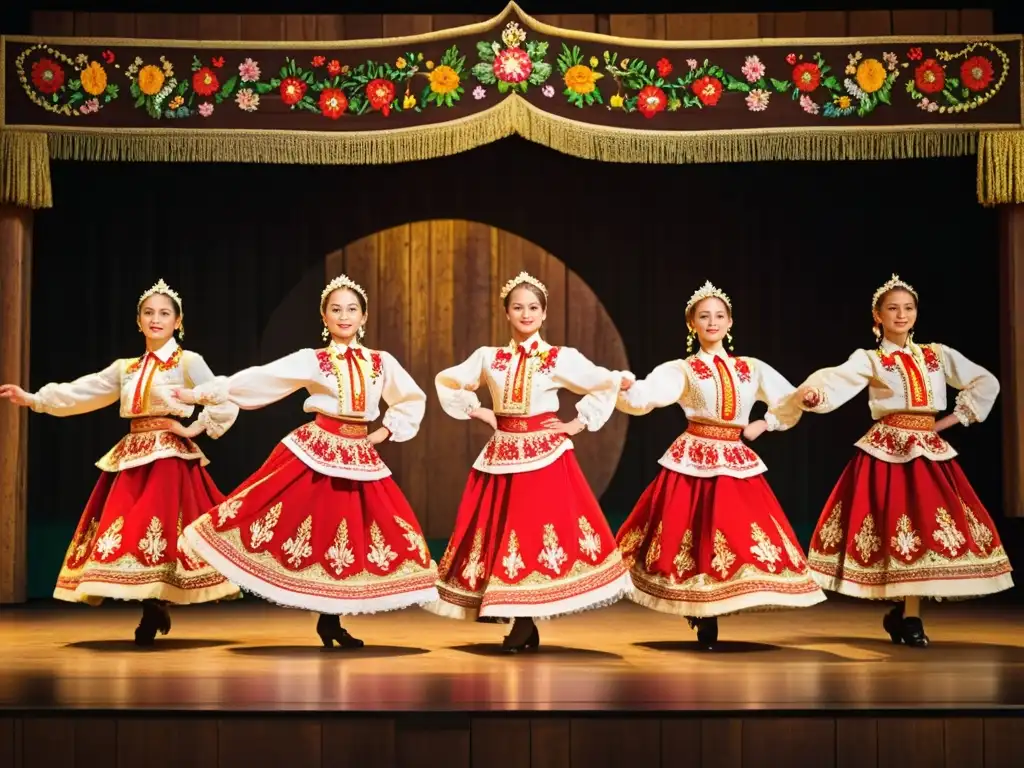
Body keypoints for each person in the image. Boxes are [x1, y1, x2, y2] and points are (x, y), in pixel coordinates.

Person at [174, 274, 436, 648]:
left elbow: (412, 399)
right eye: (335, 310)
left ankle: (332, 619)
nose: (344, 316)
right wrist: (201, 392)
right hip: (319, 449)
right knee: (316, 529)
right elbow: (260, 379)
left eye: (351, 310)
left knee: (353, 537)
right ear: (324, 317)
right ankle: (327, 616)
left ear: (364, 317)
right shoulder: (312, 361)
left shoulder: (382, 362)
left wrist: (382, 433)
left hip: (359, 454)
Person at [0, 279, 240, 645]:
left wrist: (195, 428)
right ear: (138, 321)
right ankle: (153, 603)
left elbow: (223, 398)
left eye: (164, 314)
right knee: (129, 531)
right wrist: (34, 398)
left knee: (157, 531)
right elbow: (85, 390)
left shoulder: (188, 361)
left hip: (170, 458)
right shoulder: (126, 367)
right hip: (133, 456)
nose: (156, 319)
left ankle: (154, 603)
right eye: (149, 313)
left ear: (178, 322)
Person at [794, 274, 1012, 647]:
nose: (901, 315)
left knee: (928, 527)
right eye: (892, 309)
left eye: (908, 308)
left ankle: (909, 614)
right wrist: (814, 394)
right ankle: (907, 615)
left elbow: (985, 381)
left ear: (917, 314)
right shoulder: (871, 359)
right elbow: (837, 381)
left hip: (928, 450)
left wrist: (947, 421)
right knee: (897, 528)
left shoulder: (936, 354)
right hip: (887, 449)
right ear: (877, 316)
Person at [424, 271, 632, 652]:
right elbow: (447, 381)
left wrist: (577, 423)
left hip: (544, 455)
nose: (526, 313)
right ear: (506, 313)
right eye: (518, 307)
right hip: (503, 454)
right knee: (504, 538)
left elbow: (603, 382)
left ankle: (523, 622)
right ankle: (523, 621)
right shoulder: (490, 357)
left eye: (533, 307)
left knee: (533, 537)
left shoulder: (557, 358)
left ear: (544, 313)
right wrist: (479, 411)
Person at [616, 280, 825, 648]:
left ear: (730, 323)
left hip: (734, 457)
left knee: (732, 534)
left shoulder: (751, 368)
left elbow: (788, 397)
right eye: (703, 316)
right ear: (691, 324)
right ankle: (701, 612)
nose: (712, 322)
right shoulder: (683, 369)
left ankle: (713, 607)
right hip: (694, 455)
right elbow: (649, 394)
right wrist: (625, 389)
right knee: (692, 533)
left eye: (719, 316)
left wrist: (771, 419)